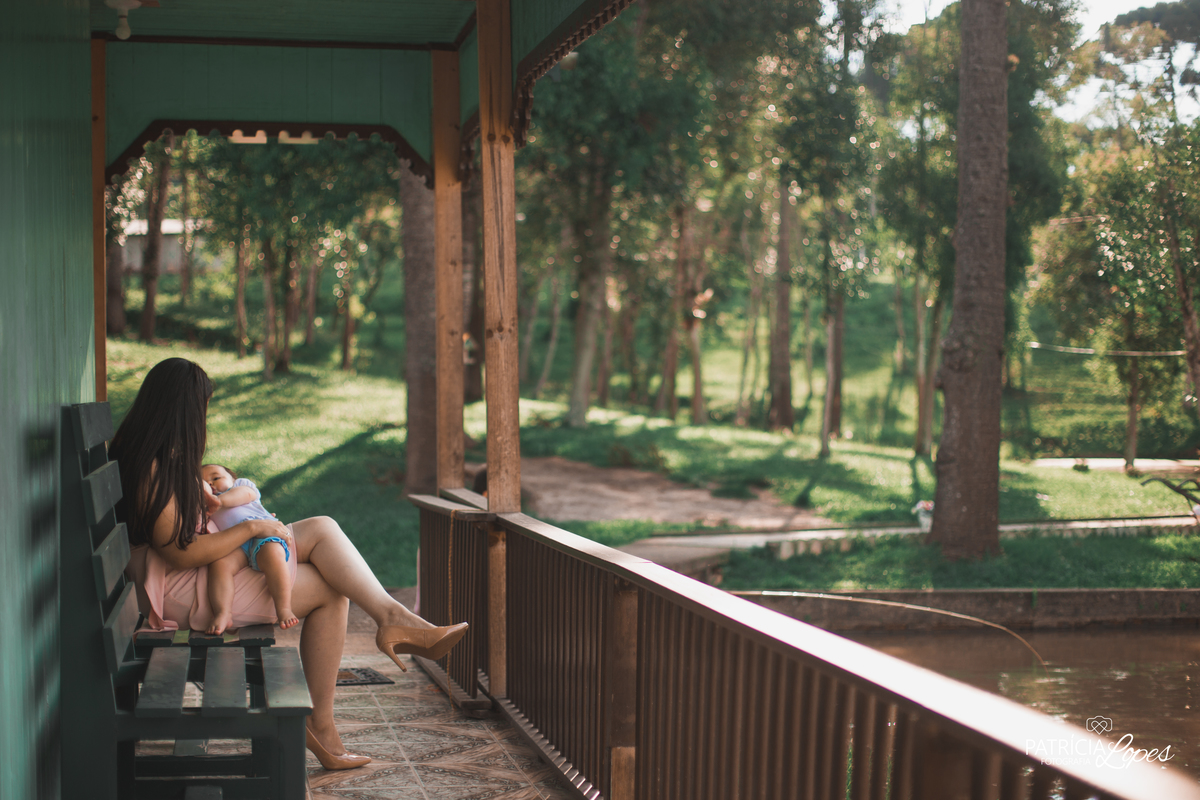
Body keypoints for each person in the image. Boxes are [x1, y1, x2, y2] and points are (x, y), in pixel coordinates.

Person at [110, 358, 467, 771]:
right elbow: (180, 553)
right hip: (179, 588)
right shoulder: (152, 470)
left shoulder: (155, 459)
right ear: (183, 413)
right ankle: (327, 714)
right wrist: (251, 528)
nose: (204, 422)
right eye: (202, 411)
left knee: (321, 529)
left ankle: (392, 620)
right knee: (331, 590)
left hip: (191, 575)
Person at [201, 463, 297, 635]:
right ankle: (223, 612)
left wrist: (219, 501)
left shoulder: (241, 486)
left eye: (216, 478)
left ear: (233, 479)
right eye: (204, 482)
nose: (210, 484)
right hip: (235, 544)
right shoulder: (204, 506)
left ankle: (283, 608)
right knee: (220, 565)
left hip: (263, 533)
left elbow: (245, 494)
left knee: (273, 554)